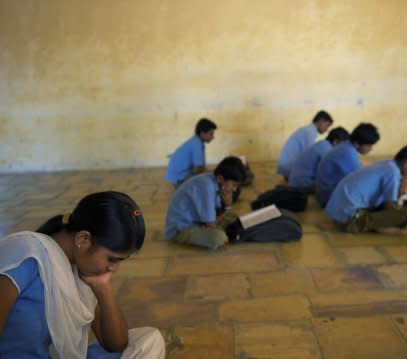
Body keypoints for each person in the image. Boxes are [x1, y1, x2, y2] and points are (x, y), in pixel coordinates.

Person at [0, 191, 165, 358]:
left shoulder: (81, 270)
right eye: (112, 259)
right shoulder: (26, 255)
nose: (114, 269)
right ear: (83, 239)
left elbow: (115, 345)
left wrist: (104, 290)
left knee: (148, 340)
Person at [324, 143, 407, 235]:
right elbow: (388, 209)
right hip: (348, 221)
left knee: (402, 208)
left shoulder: (388, 165)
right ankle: (384, 229)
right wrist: (401, 193)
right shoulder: (392, 173)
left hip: (340, 214)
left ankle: (375, 224)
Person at [165, 156, 246, 250]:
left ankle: (221, 231)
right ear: (220, 178)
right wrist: (227, 207)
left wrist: (226, 206)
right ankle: (222, 233)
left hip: (198, 222)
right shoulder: (206, 186)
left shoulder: (214, 182)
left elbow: (216, 213)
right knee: (219, 238)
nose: (234, 189)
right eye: (233, 185)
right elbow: (211, 224)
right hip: (180, 230)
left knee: (233, 216)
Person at [315, 122, 380, 207]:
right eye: (369, 145)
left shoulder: (346, 147)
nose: (371, 149)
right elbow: (361, 180)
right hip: (327, 198)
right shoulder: (347, 153)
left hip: (324, 193)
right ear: (357, 143)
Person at [288, 127, 349, 191]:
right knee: (336, 186)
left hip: (296, 181)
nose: (344, 148)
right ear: (336, 141)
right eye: (343, 145)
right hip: (301, 184)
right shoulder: (326, 149)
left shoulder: (323, 144)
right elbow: (326, 174)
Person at [277, 110, 333, 179]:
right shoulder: (309, 133)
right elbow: (310, 157)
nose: (327, 129)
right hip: (289, 168)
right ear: (321, 121)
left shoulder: (308, 130)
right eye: (327, 125)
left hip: (285, 167)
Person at [166, 118, 217, 186]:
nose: (213, 137)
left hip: (175, 176)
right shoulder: (197, 144)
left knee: (210, 175)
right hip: (179, 179)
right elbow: (198, 169)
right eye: (211, 134)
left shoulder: (195, 140)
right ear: (202, 134)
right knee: (211, 182)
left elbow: (201, 167)